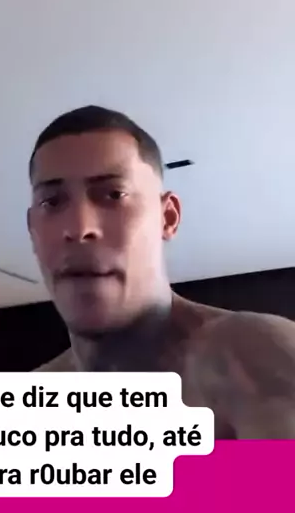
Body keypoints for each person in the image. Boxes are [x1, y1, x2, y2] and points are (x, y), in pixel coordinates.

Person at [27, 105, 295, 439]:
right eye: (52, 202)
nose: (79, 228)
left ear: (167, 217)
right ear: (32, 230)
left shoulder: (246, 358)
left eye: (113, 195)